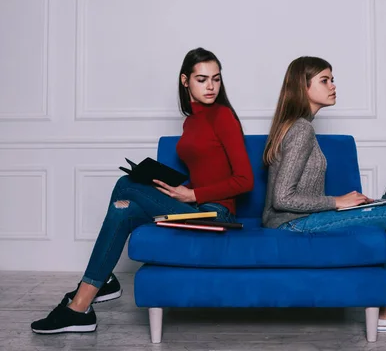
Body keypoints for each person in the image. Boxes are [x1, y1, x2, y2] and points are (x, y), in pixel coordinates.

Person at [31, 48, 254, 334]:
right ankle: (83, 304)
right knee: (122, 211)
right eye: (202, 79)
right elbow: (208, 169)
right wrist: (181, 188)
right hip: (196, 206)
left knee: (126, 186)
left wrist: (192, 195)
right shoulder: (191, 121)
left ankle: (90, 294)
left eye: (216, 79)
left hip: (216, 215)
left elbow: (244, 180)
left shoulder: (222, 116)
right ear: (185, 81)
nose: (210, 86)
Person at [262, 56, 386, 333]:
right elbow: (282, 199)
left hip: (298, 219)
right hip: (290, 224)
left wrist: (343, 203)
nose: (333, 85)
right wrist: (337, 202)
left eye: (332, 79)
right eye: (325, 80)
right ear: (303, 87)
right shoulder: (301, 129)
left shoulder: (297, 125)